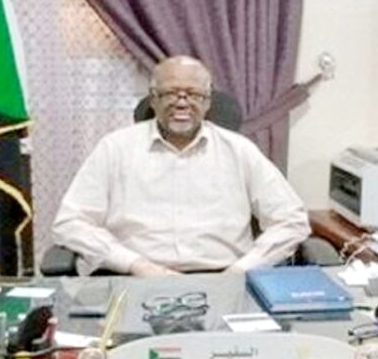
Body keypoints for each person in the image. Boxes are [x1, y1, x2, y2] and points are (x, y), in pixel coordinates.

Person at [52, 55, 310, 276]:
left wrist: (242, 269)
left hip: (223, 277)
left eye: (194, 94)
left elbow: (291, 220)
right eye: (170, 93)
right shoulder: (115, 148)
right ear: (153, 99)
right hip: (134, 277)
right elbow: (71, 222)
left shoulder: (239, 150)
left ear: (208, 102)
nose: (182, 102)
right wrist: (135, 265)